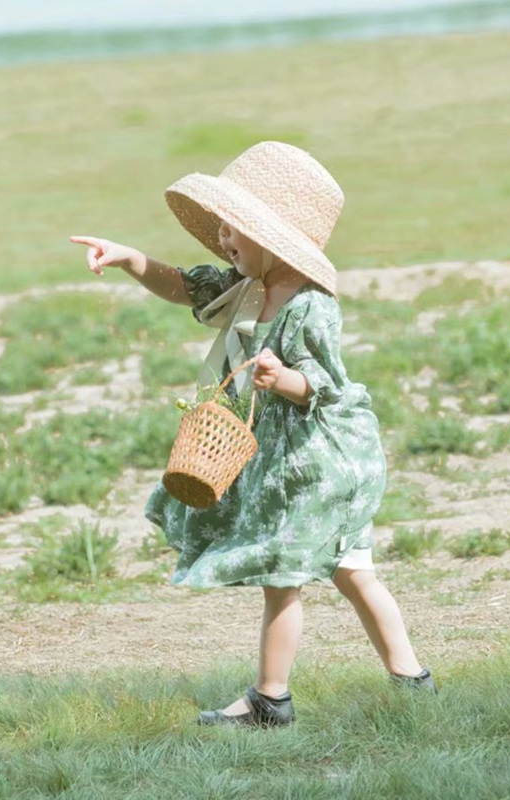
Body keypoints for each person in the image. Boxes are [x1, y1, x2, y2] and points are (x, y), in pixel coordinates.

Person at [71, 141, 436, 727]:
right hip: (290, 458)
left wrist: (283, 378)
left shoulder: (311, 306)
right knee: (353, 570)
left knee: (282, 574)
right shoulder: (246, 287)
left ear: (272, 235)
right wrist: (130, 258)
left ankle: (271, 699)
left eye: (232, 229)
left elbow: (326, 384)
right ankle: (412, 679)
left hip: (319, 459)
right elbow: (182, 286)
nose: (221, 239)